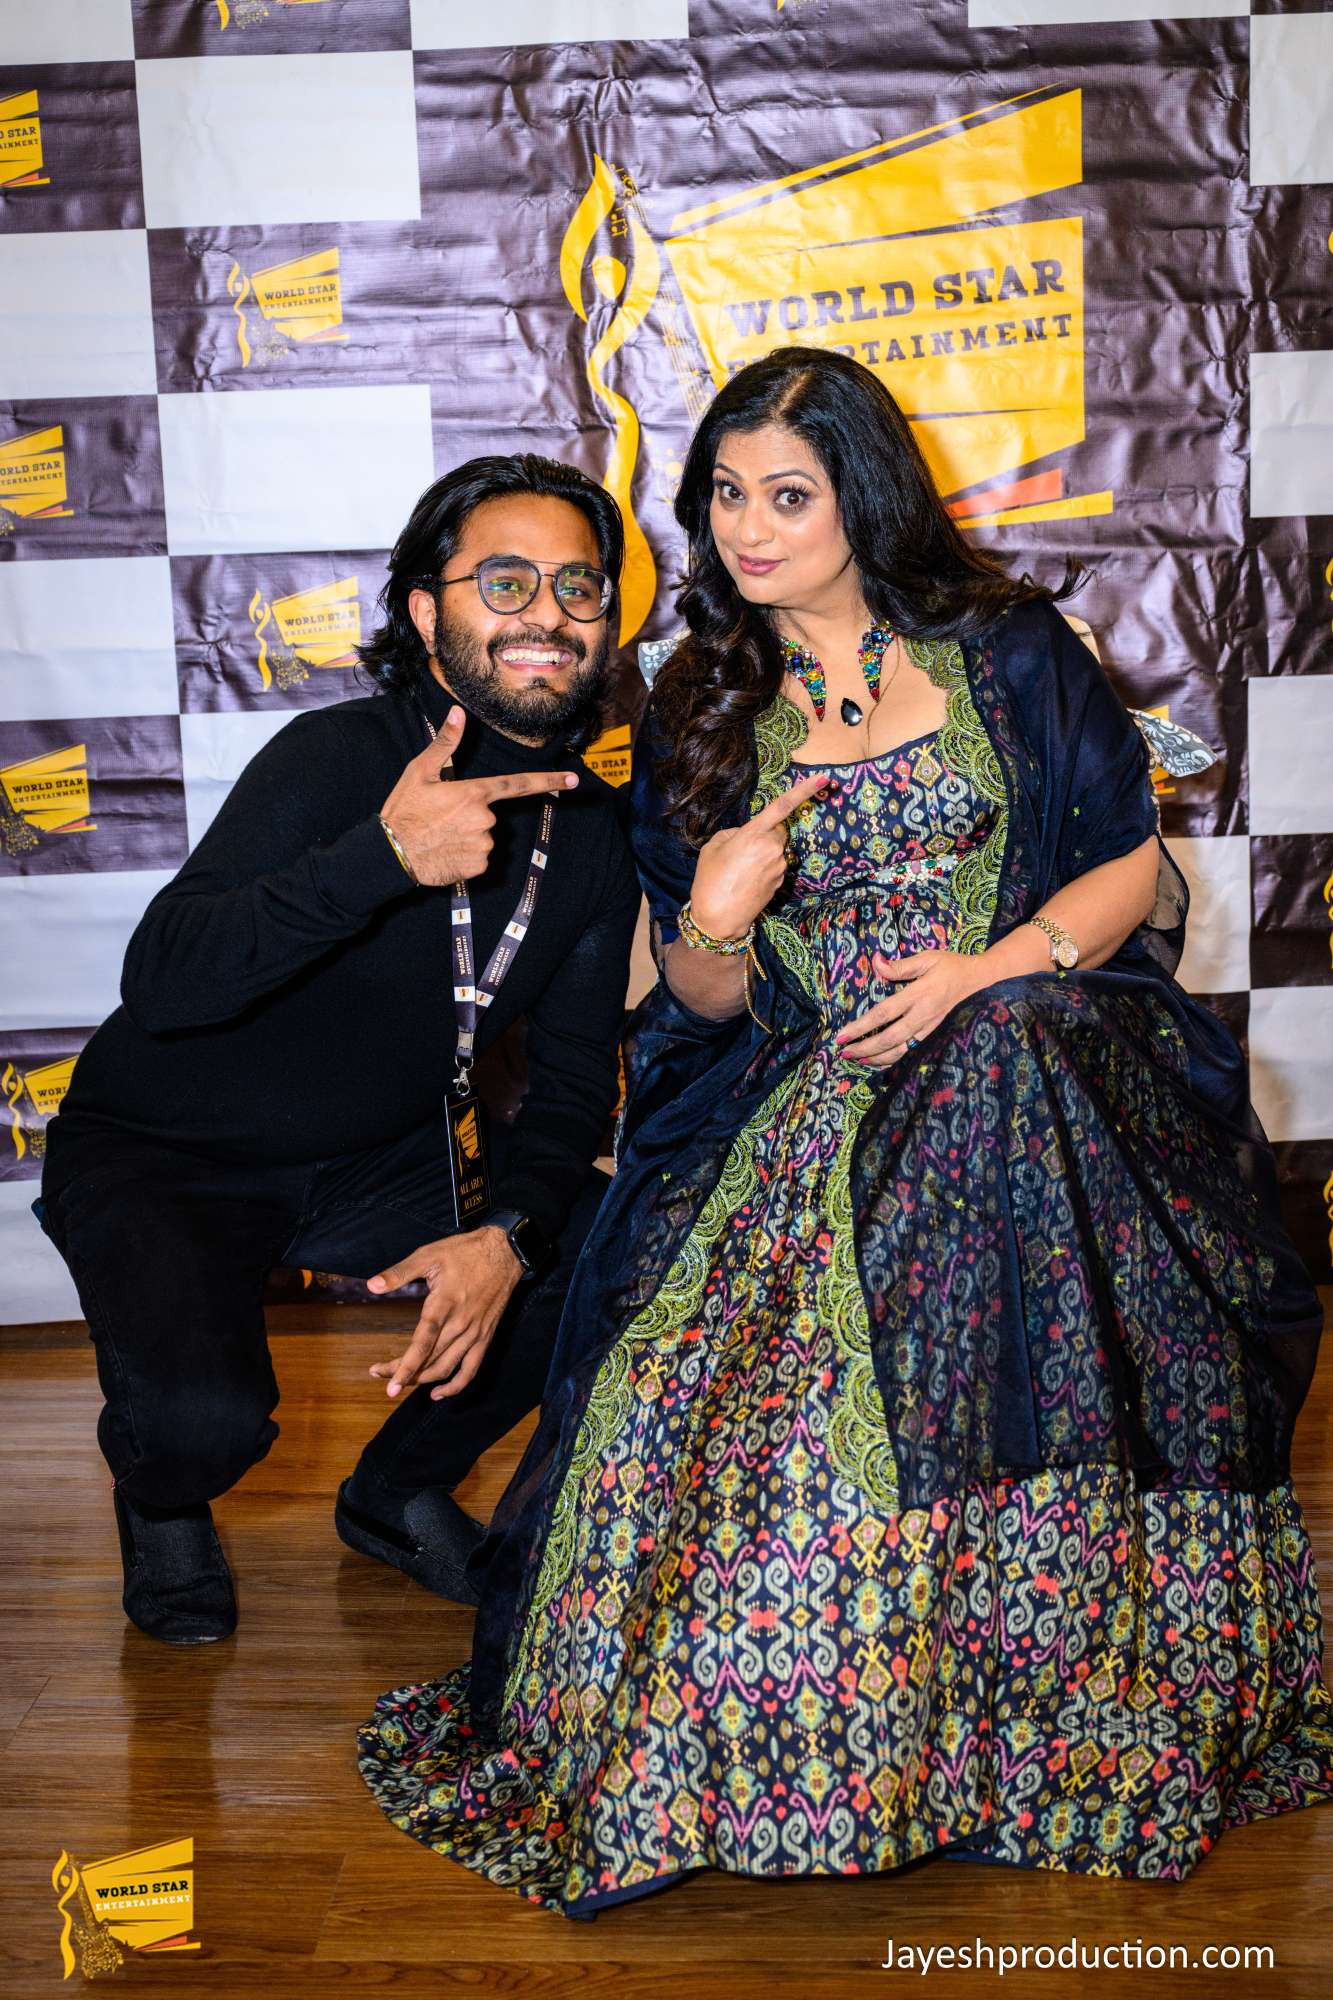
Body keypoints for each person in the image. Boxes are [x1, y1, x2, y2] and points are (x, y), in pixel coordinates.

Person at [356, 349, 1333, 1910]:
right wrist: (719, 917)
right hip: (807, 1103)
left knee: (1003, 1061)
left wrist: (981, 975)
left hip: (1030, 1071)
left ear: (862, 499)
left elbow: (1122, 865)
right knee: (704, 1391)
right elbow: (703, 995)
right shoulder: (698, 701)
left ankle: (1043, 1712)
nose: (747, 529)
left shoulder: (1004, 651)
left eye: (787, 496)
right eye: (725, 496)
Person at [38, 454, 641, 1646]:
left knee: (609, 1246)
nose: (547, 614)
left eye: (578, 586)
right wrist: (381, 857)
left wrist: (505, 1238)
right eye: (505, 581)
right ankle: (161, 1495)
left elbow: (574, 1081)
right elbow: (165, 979)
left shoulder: (587, 825)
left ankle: (394, 1488)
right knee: (204, 1424)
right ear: (424, 609)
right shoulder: (336, 756)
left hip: (383, 1151)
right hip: (171, 1149)